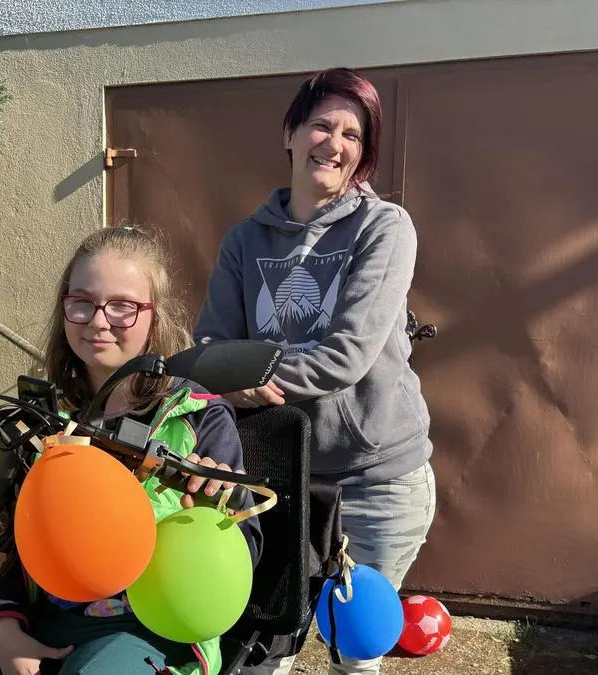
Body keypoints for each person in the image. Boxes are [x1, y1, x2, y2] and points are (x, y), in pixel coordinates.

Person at [0, 225, 263, 675]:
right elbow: (16, 538)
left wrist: (212, 508)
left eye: (123, 306)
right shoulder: (48, 416)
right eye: (82, 302)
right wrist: (5, 627)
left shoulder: (198, 417)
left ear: (156, 316)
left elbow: (242, 553)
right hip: (41, 617)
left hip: (151, 630)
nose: (99, 321)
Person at [193, 68, 436, 675]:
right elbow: (212, 346)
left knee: (355, 655)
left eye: (353, 135)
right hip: (279, 478)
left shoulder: (384, 228)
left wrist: (248, 384)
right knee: (263, 648)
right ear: (290, 133)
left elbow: (346, 355)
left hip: (376, 482)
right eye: (322, 125)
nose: (334, 143)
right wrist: (223, 380)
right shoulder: (244, 240)